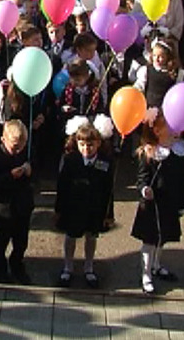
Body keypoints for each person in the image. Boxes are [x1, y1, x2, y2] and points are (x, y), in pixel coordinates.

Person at [131, 110, 184, 294]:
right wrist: (144, 189)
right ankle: (145, 273)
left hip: (169, 203)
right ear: (156, 131)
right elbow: (141, 178)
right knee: (149, 240)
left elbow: (182, 180)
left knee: (162, 239)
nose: (174, 129)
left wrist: (182, 203)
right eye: (169, 127)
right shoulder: (148, 153)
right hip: (152, 205)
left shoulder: (179, 151)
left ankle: (156, 265)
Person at [55, 115, 115, 288]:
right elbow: (62, 186)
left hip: (94, 208)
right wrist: (58, 209)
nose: (86, 148)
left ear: (98, 144)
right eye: (82, 144)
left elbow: (109, 190)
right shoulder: (70, 160)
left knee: (91, 236)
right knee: (71, 236)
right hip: (73, 207)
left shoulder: (105, 163)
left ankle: (89, 266)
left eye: (90, 144)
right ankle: (68, 266)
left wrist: (108, 214)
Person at [0, 120, 34, 284]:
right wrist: (10, 176)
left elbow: (37, 174)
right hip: (4, 206)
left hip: (23, 204)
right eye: (14, 146)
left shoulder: (26, 152)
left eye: (22, 145)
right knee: (1, 239)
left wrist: (29, 171)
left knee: (21, 240)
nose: (18, 150)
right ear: (3, 139)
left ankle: (17, 264)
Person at [133, 36, 184, 108]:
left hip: (166, 109)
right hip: (148, 108)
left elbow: (178, 92)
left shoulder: (177, 73)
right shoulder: (146, 70)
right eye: (154, 55)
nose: (156, 59)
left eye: (161, 57)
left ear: (168, 57)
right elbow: (139, 86)